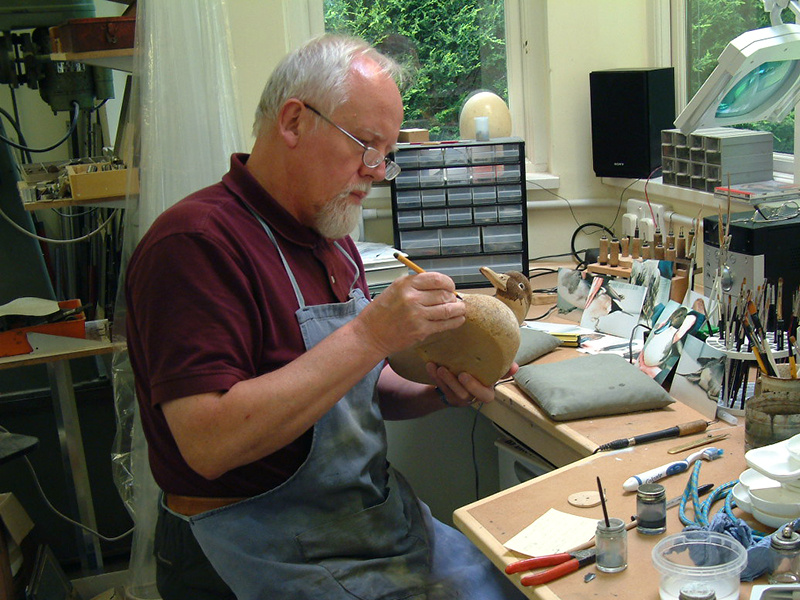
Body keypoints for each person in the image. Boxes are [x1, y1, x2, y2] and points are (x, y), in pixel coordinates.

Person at [125, 34, 525, 600]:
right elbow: (208, 444)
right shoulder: (195, 244)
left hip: (366, 525)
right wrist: (370, 333)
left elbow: (357, 391)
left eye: (385, 154)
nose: (378, 171)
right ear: (293, 122)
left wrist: (440, 392)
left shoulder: (332, 238)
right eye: (366, 145)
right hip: (256, 543)